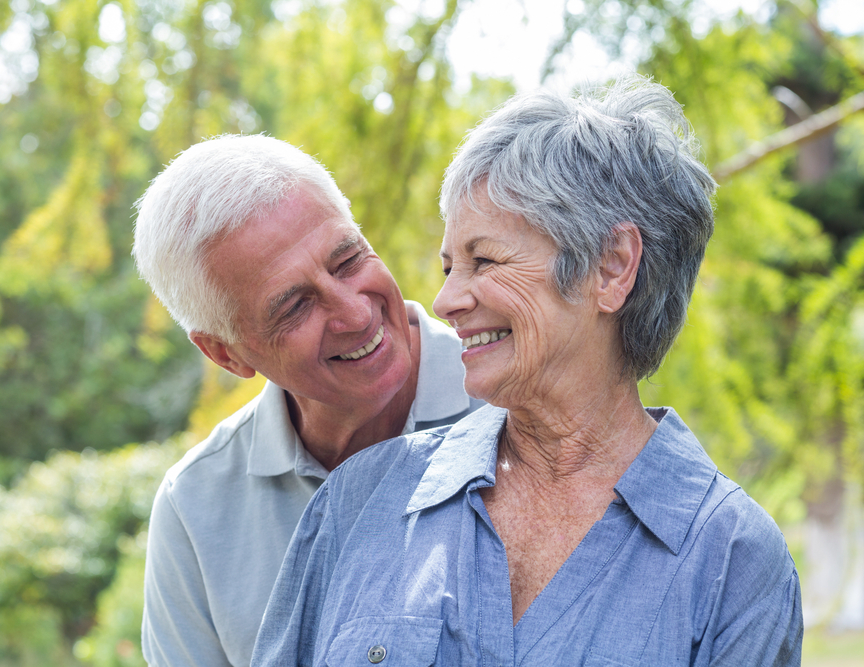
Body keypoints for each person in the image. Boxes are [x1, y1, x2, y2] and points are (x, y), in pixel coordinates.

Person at [252, 77, 803, 666]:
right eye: (448, 267)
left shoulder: (732, 560)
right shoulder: (358, 501)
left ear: (611, 268)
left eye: (483, 260)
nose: (445, 301)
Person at [132, 134, 484, 667]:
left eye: (347, 260)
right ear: (225, 354)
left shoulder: (525, 407)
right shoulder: (196, 508)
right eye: (294, 306)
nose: (357, 314)